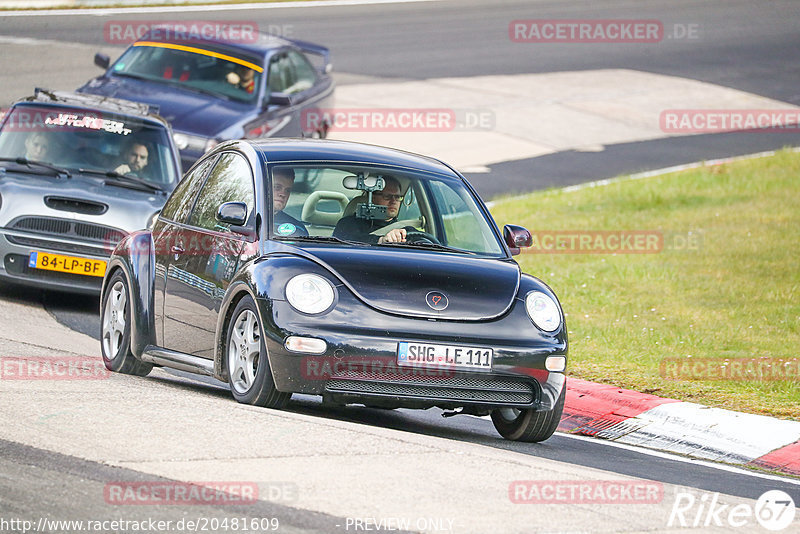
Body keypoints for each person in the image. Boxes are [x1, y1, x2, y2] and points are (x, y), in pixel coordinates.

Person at [333, 175, 413, 244]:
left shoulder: (405, 230)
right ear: (373, 198)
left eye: (397, 197)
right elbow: (344, 242)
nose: (393, 201)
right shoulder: (348, 224)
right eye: (387, 196)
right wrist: (381, 240)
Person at [272, 167, 309, 237]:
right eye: (277, 187)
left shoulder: (297, 229)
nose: (283, 194)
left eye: (287, 190)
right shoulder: (246, 218)